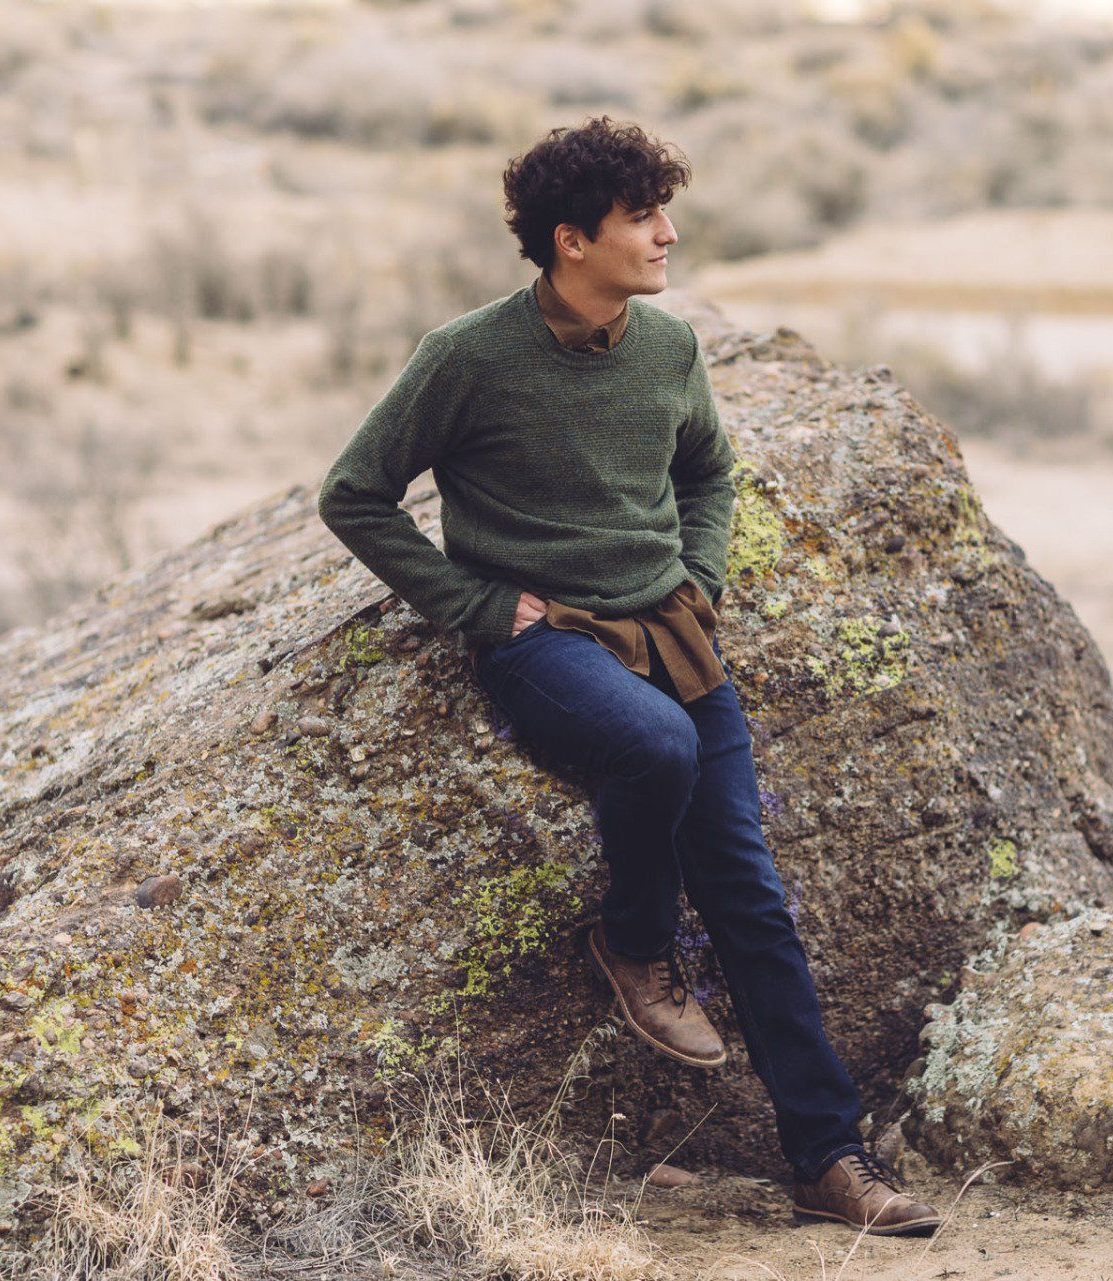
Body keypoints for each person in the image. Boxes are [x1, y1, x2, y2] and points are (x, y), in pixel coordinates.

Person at [316, 115, 939, 1236]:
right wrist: (470, 603)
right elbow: (355, 494)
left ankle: (829, 1163)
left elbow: (708, 469)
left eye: (666, 211)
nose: (669, 234)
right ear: (571, 240)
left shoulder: (669, 348)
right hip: (548, 645)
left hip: (673, 631)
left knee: (752, 897)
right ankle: (636, 939)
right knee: (655, 746)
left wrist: (699, 573)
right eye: (644, 217)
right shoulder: (466, 356)